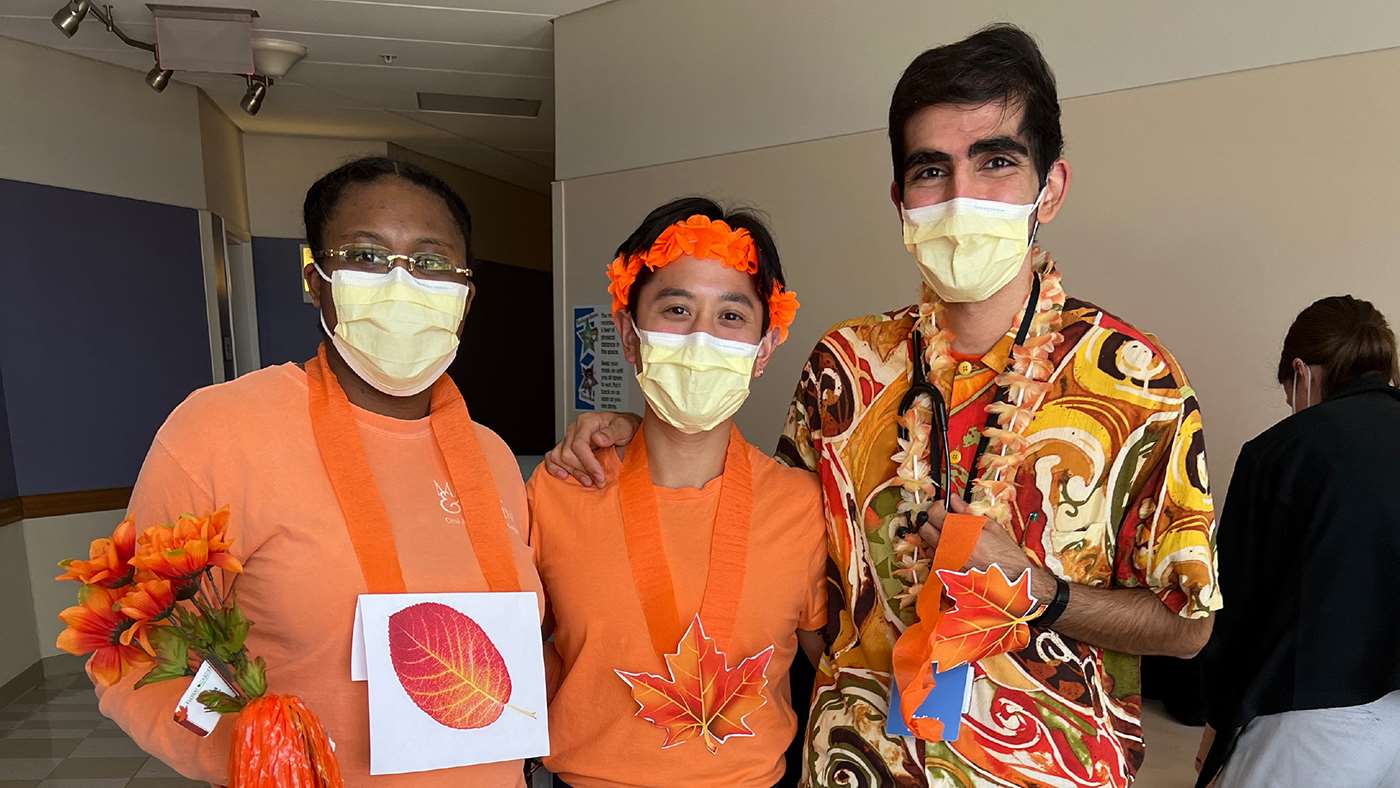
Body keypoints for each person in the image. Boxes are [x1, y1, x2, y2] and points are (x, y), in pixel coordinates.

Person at [544, 25, 1219, 787]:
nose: (961, 196)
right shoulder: (845, 367)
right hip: (850, 765)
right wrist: (642, 428)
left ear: (1051, 188)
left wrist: (1040, 591)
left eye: (996, 161)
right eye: (932, 170)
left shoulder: (1135, 379)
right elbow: (764, 526)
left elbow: (1188, 626)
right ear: (901, 200)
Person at [91, 157, 544, 786]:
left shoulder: (491, 457)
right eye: (366, 256)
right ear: (316, 280)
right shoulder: (219, 432)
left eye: (431, 261)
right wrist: (251, 749)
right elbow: (127, 650)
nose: (402, 283)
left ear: (466, 292)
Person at [528, 198, 826, 787]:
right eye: (677, 309)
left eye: (731, 316)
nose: (700, 339)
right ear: (629, 334)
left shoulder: (801, 507)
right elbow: (507, 653)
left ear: (764, 349)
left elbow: (842, 670)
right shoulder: (562, 488)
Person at [1197, 296, 1400, 788]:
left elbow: (1234, 608)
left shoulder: (1283, 450)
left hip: (1312, 717)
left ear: (1300, 372)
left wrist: (1215, 726)